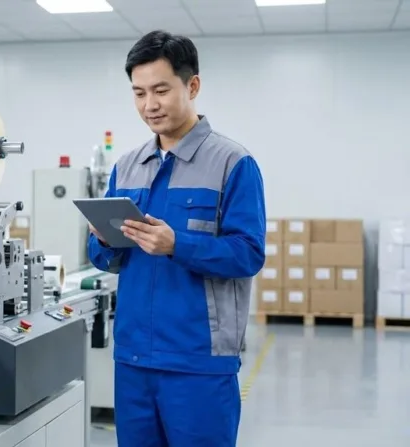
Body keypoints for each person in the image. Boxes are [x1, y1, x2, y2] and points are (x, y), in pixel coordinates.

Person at [87, 30, 266, 446]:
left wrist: (177, 245)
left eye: (161, 90)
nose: (149, 105)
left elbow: (249, 254)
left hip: (198, 363)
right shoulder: (127, 167)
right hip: (133, 358)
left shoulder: (233, 164)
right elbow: (103, 257)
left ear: (193, 85)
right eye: (138, 93)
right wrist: (103, 241)